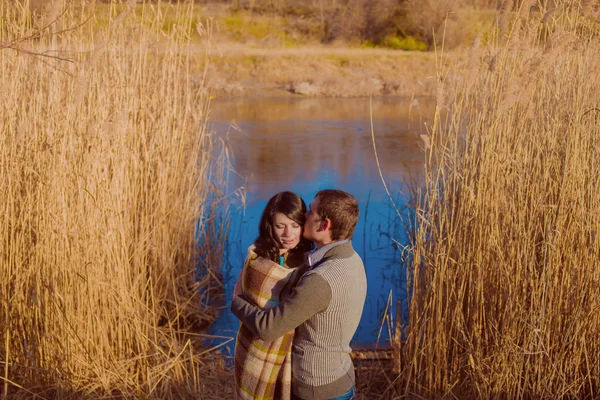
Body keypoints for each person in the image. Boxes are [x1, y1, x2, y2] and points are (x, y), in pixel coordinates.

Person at [231, 189, 367, 400]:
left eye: (310, 212)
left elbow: (269, 328)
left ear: (324, 225)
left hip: (317, 388)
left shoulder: (320, 279)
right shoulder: (352, 259)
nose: (304, 216)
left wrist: (237, 301)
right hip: (342, 376)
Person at [233, 191, 313, 400]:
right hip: (257, 349)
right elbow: (253, 300)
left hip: (295, 353)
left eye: (295, 225)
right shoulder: (257, 261)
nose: (288, 233)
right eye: (280, 226)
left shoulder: (309, 262)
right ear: (270, 226)